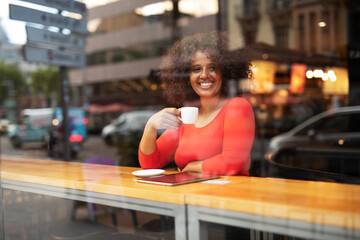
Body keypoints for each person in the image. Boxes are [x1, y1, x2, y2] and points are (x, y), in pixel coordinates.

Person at [138, 31, 255, 176]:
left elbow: (232, 162)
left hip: (226, 196)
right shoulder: (187, 116)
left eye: (212, 67)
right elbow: (150, 164)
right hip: (191, 196)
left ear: (224, 72)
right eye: (196, 69)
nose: (204, 75)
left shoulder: (237, 107)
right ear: (187, 76)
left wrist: (193, 166)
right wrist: (150, 126)